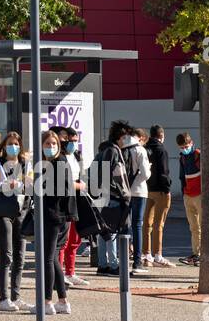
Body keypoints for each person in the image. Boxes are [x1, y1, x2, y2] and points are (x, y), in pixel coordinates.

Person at [0, 131, 33, 311]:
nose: (14, 147)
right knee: (6, 256)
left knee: (20, 257)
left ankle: (16, 297)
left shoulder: (25, 163)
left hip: (21, 210)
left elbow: (32, 185)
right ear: (4, 146)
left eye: (17, 144)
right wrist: (7, 184)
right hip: (3, 211)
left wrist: (28, 183)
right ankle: (3, 299)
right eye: (11, 143)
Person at [38, 130, 76, 316]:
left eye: (53, 144)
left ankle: (47, 302)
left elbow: (61, 190)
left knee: (47, 259)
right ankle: (63, 301)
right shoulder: (51, 163)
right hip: (57, 216)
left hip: (54, 216)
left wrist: (39, 186)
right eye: (47, 144)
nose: (51, 147)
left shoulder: (59, 162)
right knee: (52, 259)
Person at [94, 121, 132, 276]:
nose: (126, 140)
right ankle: (114, 264)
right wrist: (122, 193)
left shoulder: (103, 150)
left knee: (103, 232)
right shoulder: (114, 151)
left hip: (102, 195)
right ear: (119, 137)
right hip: (112, 195)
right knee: (112, 232)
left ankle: (102, 264)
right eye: (125, 137)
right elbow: (116, 175)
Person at [57, 126, 89, 287]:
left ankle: (71, 271)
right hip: (66, 198)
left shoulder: (76, 155)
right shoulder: (60, 157)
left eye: (76, 141)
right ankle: (60, 272)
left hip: (78, 198)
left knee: (75, 238)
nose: (73, 144)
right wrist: (77, 186)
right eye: (71, 141)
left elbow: (82, 174)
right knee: (64, 238)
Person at [142, 124, 173, 267]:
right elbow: (164, 171)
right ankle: (158, 255)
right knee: (158, 224)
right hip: (160, 190)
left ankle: (146, 255)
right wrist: (167, 188)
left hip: (147, 189)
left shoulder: (144, 148)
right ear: (161, 136)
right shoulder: (161, 150)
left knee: (146, 223)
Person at [122, 125, 150, 275]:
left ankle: (122, 259)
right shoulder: (140, 150)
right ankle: (137, 262)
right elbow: (145, 173)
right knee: (137, 225)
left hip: (124, 192)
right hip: (138, 191)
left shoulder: (122, 148)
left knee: (124, 226)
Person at [176, 132, 202, 266]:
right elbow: (182, 177)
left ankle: (204, 253)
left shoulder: (198, 155)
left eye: (186, 146)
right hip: (188, 195)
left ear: (191, 143)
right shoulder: (182, 158)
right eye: (181, 147)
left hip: (200, 195)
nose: (184, 149)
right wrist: (184, 193)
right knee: (193, 227)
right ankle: (196, 253)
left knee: (203, 226)